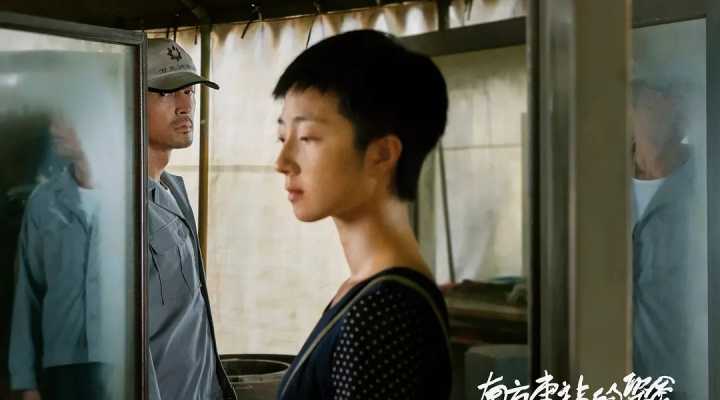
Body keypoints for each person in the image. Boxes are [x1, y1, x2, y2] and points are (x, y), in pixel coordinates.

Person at [272, 30, 452, 400]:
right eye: (282, 137)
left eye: (307, 138)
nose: (282, 162)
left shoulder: (383, 313)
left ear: (382, 154)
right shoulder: (368, 293)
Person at [145, 38, 235, 400]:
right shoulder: (118, 209)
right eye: (167, 93)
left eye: (190, 91)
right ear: (130, 98)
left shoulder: (174, 191)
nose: (186, 106)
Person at [8, 116, 113, 400]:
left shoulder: (133, 195)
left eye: (66, 120)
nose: (54, 129)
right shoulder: (43, 202)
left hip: (126, 364)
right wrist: (26, 381)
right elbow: (27, 294)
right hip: (61, 371)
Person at [631, 80, 706, 399]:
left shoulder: (706, 185)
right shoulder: (597, 184)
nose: (669, 110)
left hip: (683, 381)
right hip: (605, 376)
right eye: (653, 103)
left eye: (677, 101)